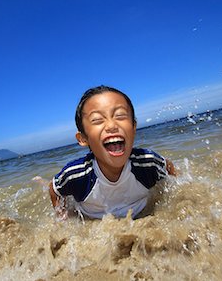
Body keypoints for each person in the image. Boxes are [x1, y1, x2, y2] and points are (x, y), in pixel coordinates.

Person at [49, 85, 176, 220]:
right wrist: (63, 217)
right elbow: (54, 188)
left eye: (120, 116)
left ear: (133, 127)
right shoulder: (76, 175)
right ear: (83, 139)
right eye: (97, 120)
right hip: (93, 219)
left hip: (140, 213)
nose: (111, 126)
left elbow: (168, 167)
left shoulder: (147, 163)